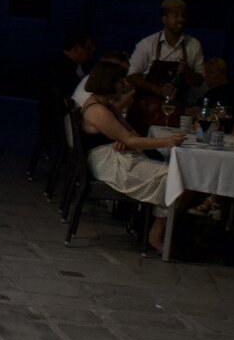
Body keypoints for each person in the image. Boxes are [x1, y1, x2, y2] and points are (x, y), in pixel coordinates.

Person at [79, 60, 187, 252]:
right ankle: (155, 234)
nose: (125, 84)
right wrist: (168, 141)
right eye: (121, 80)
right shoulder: (97, 109)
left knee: (173, 174)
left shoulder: (108, 106)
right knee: (172, 177)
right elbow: (132, 140)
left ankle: (153, 228)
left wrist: (124, 139)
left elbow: (131, 135)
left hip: (116, 154)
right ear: (109, 82)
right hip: (107, 162)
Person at [126, 0, 204, 128]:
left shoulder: (193, 45)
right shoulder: (147, 44)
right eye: (175, 16)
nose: (181, 20)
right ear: (164, 19)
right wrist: (158, 90)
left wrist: (187, 71)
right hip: (145, 113)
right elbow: (132, 76)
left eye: (183, 16)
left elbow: (199, 81)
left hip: (176, 113)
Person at [28, 28, 95, 178]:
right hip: (59, 119)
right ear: (77, 48)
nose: (90, 55)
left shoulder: (61, 64)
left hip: (53, 117)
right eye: (88, 50)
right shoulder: (63, 67)